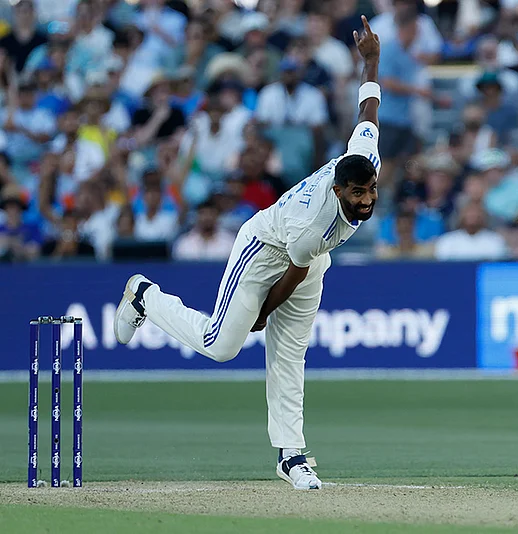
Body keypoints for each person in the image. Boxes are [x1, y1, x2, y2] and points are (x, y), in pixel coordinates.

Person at [113, 16, 383, 492]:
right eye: (357, 194)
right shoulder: (311, 221)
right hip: (267, 248)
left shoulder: (364, 159)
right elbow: (291, 273)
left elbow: (367, 113)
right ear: (339, 188)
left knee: (290, 354)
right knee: (222, 346)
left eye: (370, 192)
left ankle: (291, 455)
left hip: (311, 260)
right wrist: (261, 312)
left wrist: (371, 60)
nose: (365, 201)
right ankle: (144, 297)